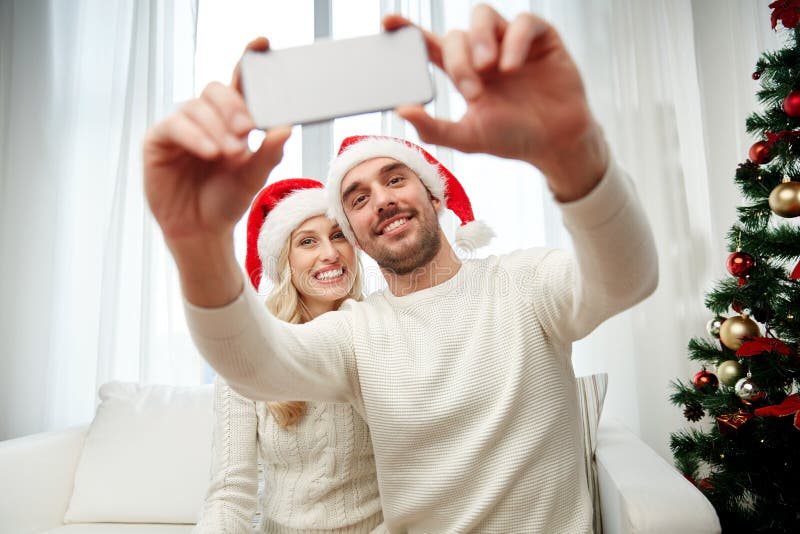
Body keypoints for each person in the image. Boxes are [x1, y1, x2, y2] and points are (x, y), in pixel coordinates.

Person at [144, 5, 658, 532]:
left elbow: (626, 278)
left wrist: (574, 154)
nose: (382, 201)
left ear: (435, 198)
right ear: (357, 235)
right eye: (357, 198)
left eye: (395, 179)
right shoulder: (355, 333)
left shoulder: (523, 282)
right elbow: (255, 364)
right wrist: (197, 242)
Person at [193, 179, 383, 533]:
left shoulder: (382, 332)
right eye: (307, 242)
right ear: (284, 263)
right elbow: (230, 494)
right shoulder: (250, 354)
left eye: (338, 235)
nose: (329, 253)